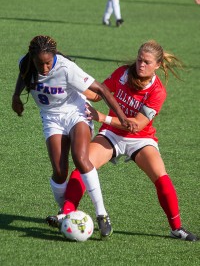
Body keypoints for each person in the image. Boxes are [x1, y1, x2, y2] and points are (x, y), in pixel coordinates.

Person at [49, 40, 198, 242]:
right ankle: (66, 212)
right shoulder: (122, 74)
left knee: (162, 178)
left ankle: (176, 228)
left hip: (141, 139)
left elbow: (136, 125)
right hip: (112, 134)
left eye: (146, 62)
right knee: (83, 165)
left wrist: (102, 117)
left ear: (157, 65)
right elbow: (95, 94)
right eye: (139, 60)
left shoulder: (157, 92)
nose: (141, 65)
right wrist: (71, 78)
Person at [11, 35, 136, 239]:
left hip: (76, 113)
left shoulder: (67, 68)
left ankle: (102, 215)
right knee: (60, 172)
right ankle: (65, 215)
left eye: (48, 63)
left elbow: (102, 90)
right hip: (51, 120)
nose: (44, 68)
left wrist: (122, 118)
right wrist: (16, 96)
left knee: (81, 158)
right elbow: (23, 75)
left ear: (54, 57)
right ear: (32, 58)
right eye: (39, 63)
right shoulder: (26, 63)